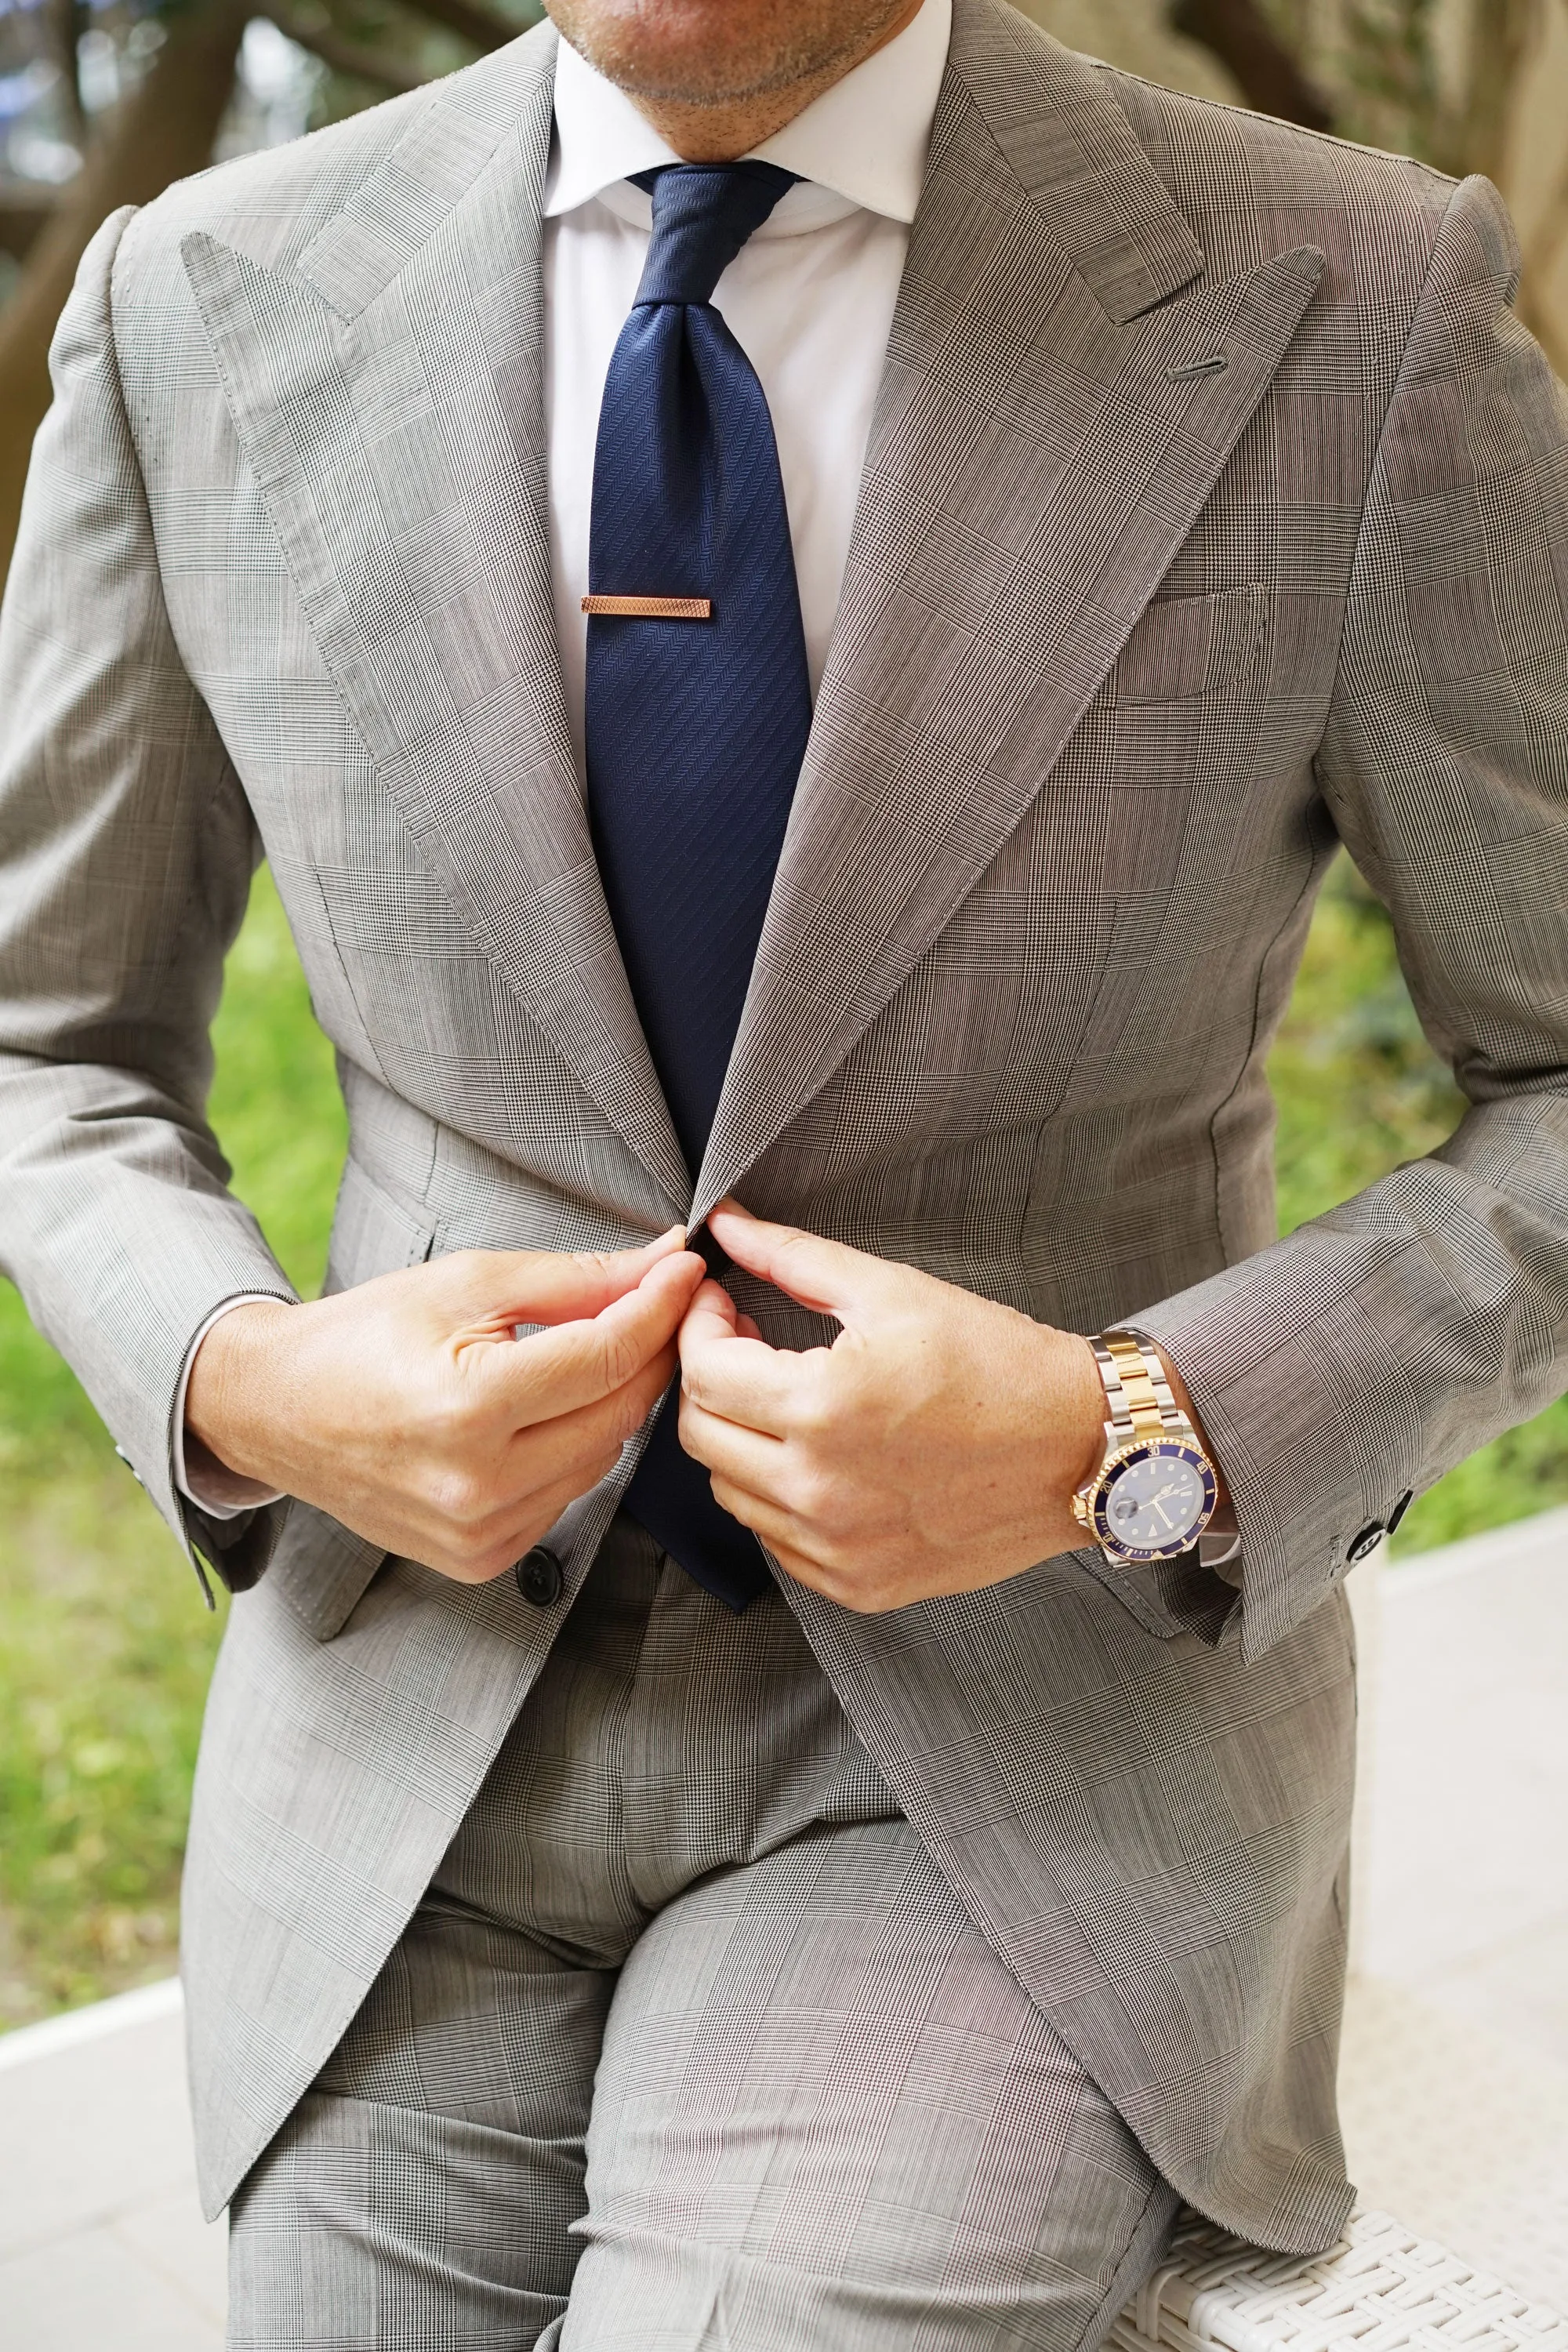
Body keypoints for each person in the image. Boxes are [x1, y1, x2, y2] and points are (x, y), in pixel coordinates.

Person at [2, 0, 1566, 2339]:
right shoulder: (190, 301)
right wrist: (243, 1381)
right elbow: (47, 1049)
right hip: (404, 1735)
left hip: (1019, 1752)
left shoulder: (1353, 306)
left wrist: (1133, 1430)